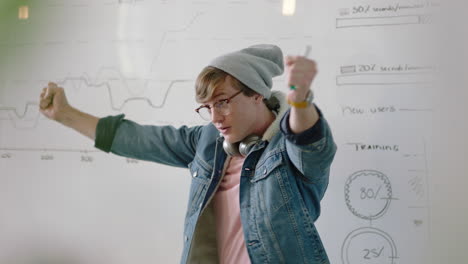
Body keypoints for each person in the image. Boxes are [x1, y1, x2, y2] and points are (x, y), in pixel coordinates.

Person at [39, 44, 337, 264]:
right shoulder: (208, 141)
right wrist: (65, 114)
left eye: (222, 102)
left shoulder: (287, 150)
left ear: (256, 93)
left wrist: (301, 101)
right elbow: (139, 139)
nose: (215, 117)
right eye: (207, 107)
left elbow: (308, 141)